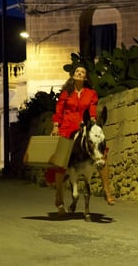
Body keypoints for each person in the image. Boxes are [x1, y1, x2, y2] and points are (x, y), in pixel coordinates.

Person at [50, 64, 115, 214]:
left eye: (82, 72)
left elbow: (92, 110)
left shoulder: (91, 93)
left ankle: (107, 191)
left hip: (84, 126)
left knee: (101, 151)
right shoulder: (66, 93)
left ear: (85, 77)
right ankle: (59, 196)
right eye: (77, 71)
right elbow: (59, 110)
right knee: (61, 161)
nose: (79, 73)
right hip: (67, 127)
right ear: (73, 75)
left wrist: (92, 122)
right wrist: (55, 125)